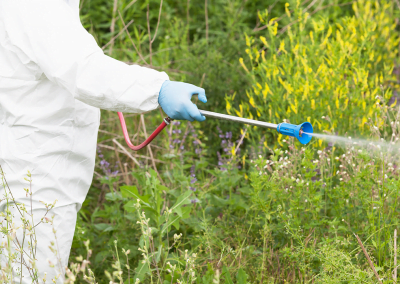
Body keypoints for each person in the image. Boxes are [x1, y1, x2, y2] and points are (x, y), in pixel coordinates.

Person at [0, 0, 207, 282]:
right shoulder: (39, 5)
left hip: (23, 169)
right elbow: (84, 70)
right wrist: (158, 89)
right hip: (37, 180)